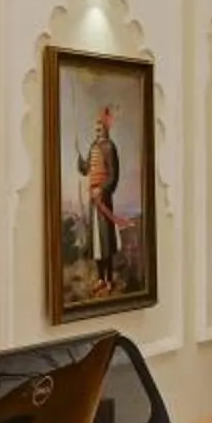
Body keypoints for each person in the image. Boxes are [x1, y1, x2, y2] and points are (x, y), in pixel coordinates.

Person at [77, 105, 123, 294]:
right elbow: (86, 168)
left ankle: (109, 280)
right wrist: (80, 161)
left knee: (106, 241)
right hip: (92, 200)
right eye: (95, 129)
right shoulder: (93, 146)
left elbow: (113, 175)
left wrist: (102, 190)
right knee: (96, 241)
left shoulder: (110, 147)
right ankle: (100, 279)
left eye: (99, 129)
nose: (97, 132)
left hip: (103, 199)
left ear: (106, 129)